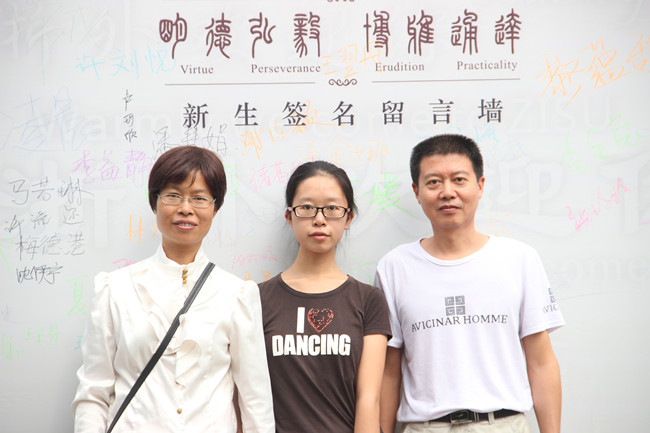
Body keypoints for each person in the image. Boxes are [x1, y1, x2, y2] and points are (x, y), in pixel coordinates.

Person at [72, 146, 274, 433]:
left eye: (199, 198)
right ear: (154, 203)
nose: (186, 208)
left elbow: (256, 402)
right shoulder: (114, 289)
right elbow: (93, 393)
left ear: (215, 208)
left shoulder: (237, 294)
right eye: (173, 195)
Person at [376, 134, 565, 433]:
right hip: (426, 428)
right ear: (417, 191)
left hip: (502, 424)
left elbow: (541, 362)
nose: (447, 192)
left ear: (480, 185)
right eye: (434, 182)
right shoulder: (394, 267)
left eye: (459, 180)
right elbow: (389, 371)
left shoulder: (519, 259)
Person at [258, 160, 391, 433]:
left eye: (332, 208)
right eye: (307, 207)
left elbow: (369, 399)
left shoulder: (368, 300)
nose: (319, 219)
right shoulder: (257, 298)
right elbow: (247, 395)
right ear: (289, 216)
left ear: (348, 218)